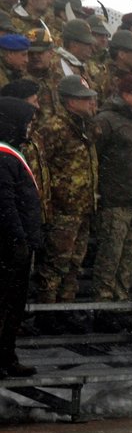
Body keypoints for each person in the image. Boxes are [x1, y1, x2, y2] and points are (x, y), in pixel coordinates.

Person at [33, 74, 99, 306]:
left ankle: (65, 306)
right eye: (86, 99)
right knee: (55, 264)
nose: (92, 103)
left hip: (83, 207)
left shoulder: (85, 127)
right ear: (70, 101)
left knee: (74, 263)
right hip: (62, 209)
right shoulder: (54, 128)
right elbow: (38, 164)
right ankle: (48, 310)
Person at [91, 75, 132, 307]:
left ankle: (120, 301)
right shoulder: (107, 121)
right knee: (110, 257)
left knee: (129, 258)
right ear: (127, 94)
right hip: (114, 202)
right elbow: (93, 158)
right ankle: (102, 305)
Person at [0, 99, 45, 376]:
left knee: (14, 306)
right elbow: (5, 203)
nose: (29, 127)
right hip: (7, 247)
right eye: (26, 121)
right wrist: (19, 238)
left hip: (18, 246)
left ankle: (7, 356)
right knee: (4, 304)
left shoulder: (12, 153)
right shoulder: (4, 157)